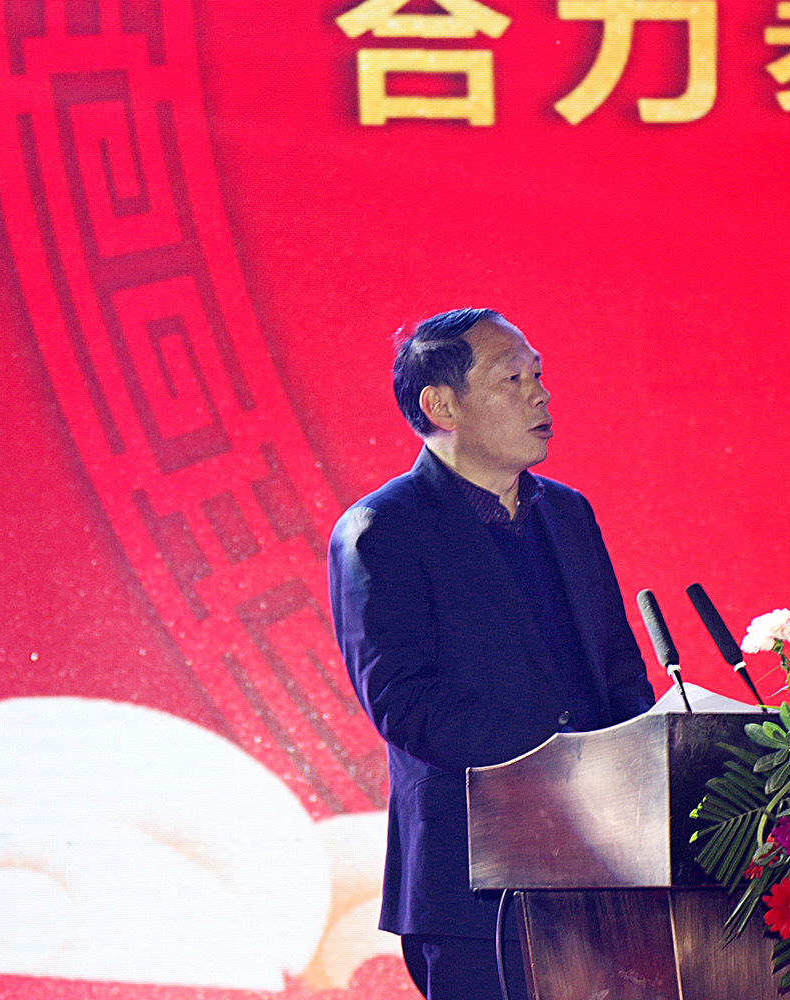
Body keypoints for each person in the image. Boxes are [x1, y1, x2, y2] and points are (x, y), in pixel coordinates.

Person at [328, 308, 656, 1000]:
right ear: (442, 406)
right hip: (474, 888)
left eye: (538, 374)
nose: (540, 394)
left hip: (601, 875)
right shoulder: (383, 530)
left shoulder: (567, 513)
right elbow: (406, 706)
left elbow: (619, 669)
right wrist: (563, 759)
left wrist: (636, 763)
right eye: (513, 379)